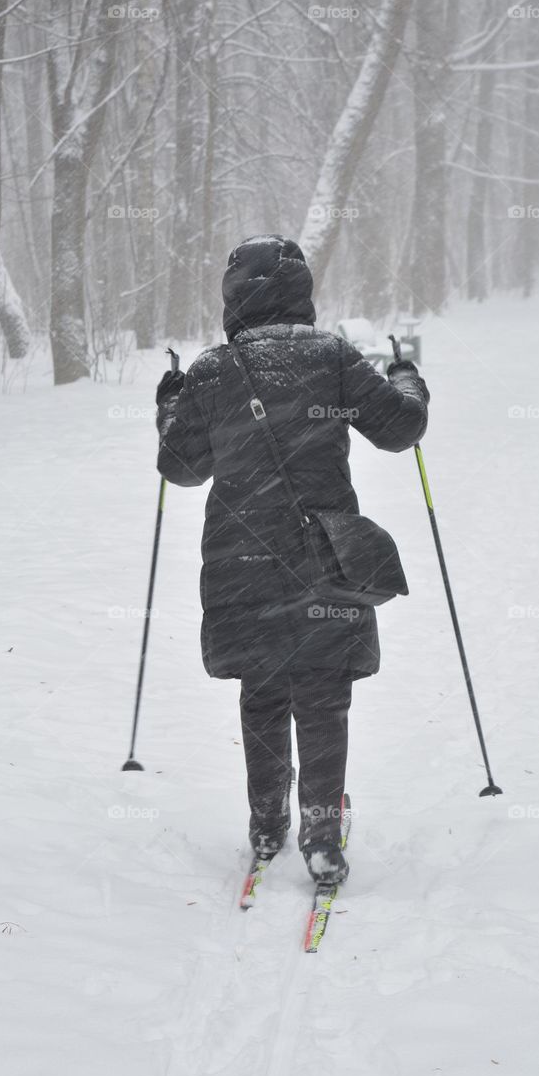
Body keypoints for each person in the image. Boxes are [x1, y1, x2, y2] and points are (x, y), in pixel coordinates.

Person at [155, 234, 429, 884]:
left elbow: (181, 466)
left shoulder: (212, 370)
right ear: (299, 292)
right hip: (322, 554)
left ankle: (265, 823)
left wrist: (169, 403)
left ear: (233, 296)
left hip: (237, 553)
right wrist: (406, 379)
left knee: (262, 686)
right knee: (321, 688)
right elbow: (399, 430)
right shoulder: (331, 358)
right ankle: (321, 833)